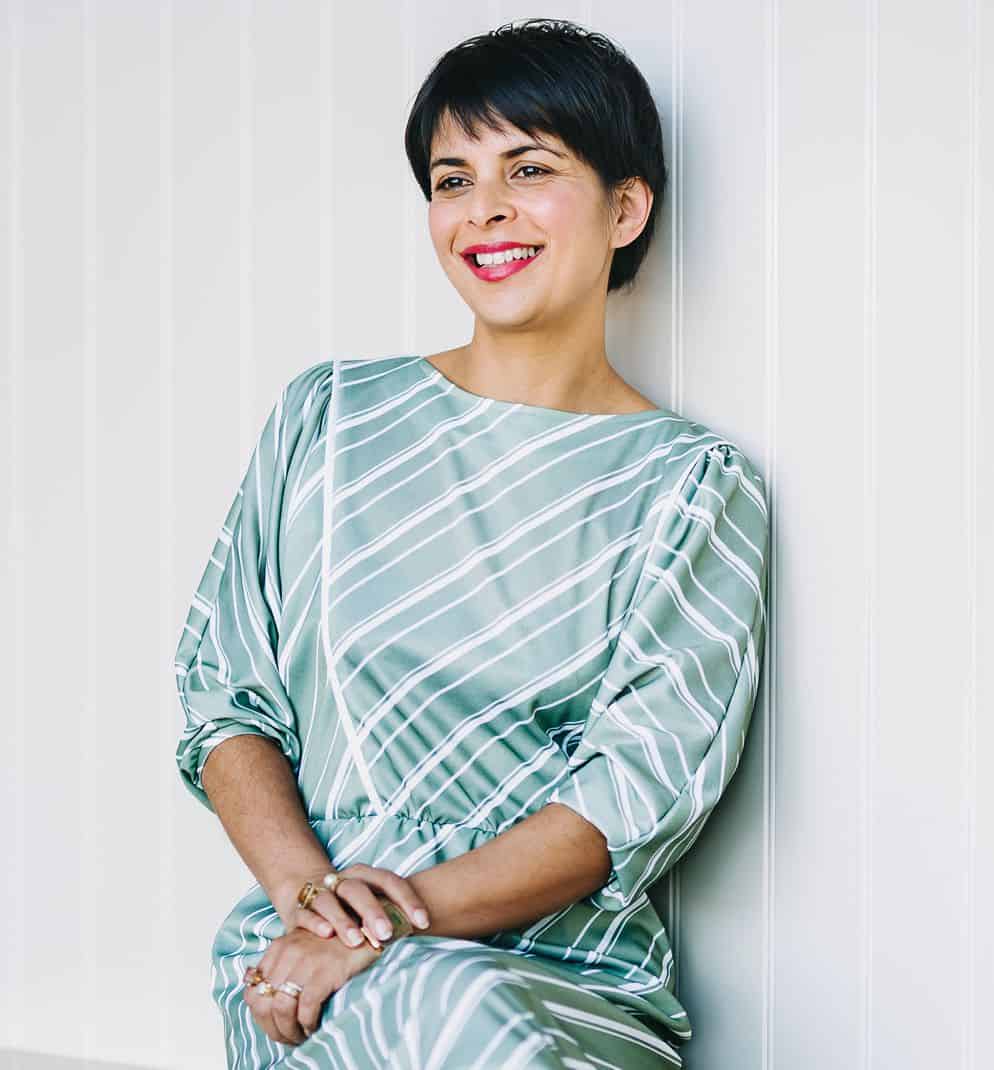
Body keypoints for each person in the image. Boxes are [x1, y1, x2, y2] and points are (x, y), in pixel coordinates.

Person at [171, 18, 770, 1068]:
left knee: (454, 1010)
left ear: (627, 207)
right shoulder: (331, 419)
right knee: (399, 1008)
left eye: (528, 169)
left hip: (555, 976)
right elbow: (226, 694)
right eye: (453, 179)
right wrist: (311, 904)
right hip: (301, 958)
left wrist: (392, 923)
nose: (483, 210)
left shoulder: (690, 485)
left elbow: (628, 794)